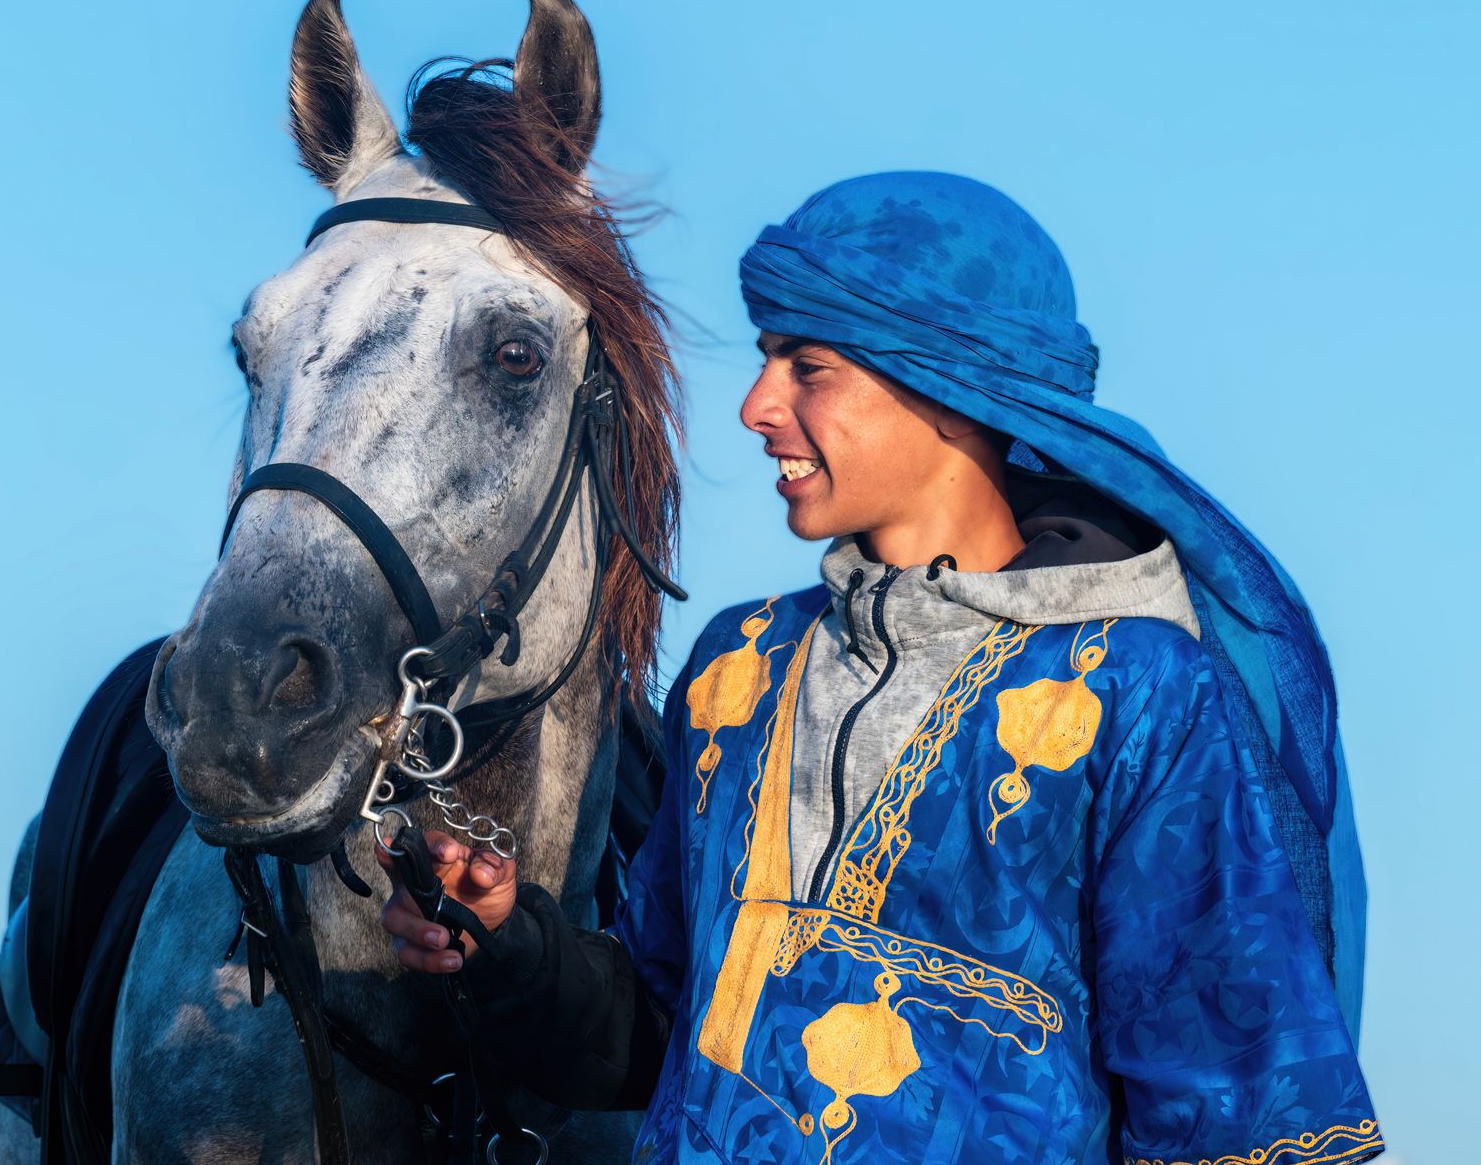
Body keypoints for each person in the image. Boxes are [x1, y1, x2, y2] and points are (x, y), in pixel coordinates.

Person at [379, 172, 1380, 1164]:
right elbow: (662, 1026)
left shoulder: (1137, 688)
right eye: (766, 358)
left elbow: (1236, 1108)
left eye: (806, 365)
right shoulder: (738, 671)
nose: (755, 404)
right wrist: (507, 941)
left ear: (947, 385)